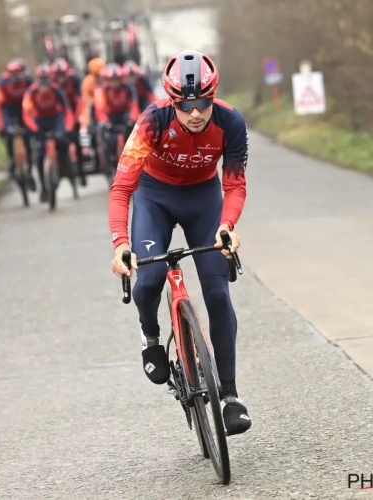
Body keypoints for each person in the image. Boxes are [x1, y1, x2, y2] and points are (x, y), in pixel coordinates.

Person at [108, 50, 252, 436]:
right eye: (185, 105)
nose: (195, 113)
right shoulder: (152, 122)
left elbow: (234, 185)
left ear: (213, 96)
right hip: (155, 198)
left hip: (204, 200)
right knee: (150, 278)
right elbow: (122, 189)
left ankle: (231, 397)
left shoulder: (230, 122)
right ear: (172, 101)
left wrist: (227, 225)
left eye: (202, 102)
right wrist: (122, 243)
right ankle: (150, 335)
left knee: (218, 294)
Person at [22, 63, 75, 202]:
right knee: (39, 155)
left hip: (55, 119)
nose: (44, 86)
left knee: (62, 142)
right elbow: (26, 114)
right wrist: (34, 128)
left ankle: (64, 168)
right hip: (40, 121)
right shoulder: (31, 92)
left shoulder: (57, 90)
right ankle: (44, 188)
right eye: (41, 82)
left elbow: (67, 110)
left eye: (47, 82)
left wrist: (68, 128)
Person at [0, 58, 36, 189]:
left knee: (27, 136)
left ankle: (29, 168)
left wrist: (33, 122)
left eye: (21, 75)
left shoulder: (29, 81)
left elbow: (34, 102)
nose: (19, 78)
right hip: (9, 109)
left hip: (24, 108)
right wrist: (2, 126)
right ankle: (11, 159)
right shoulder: (2, 83)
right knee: (8, 132)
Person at [93, 64, 140, 171]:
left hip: (124, 114)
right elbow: (100, 108)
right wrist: (105, 121)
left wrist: (132, 119)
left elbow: (133, 105)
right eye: (112, 80)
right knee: (109, 140)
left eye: (117, 79)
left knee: (132, 136)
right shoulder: (103, 90)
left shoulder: (128, 88)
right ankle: (109, 163)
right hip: (110, 116)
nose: (115, 82)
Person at [50, 57, 86, 187]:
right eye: (58, 76)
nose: (61, 79)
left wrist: (76, 119)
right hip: (60, 112)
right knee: (60, 142)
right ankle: (61, 168)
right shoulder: (52, 83)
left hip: (73, 108)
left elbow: (80, 100)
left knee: (76, 140)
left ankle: (81, 171)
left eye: (62, 76)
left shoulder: (74, 79)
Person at [79, 57, 106, 168]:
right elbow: (86, 100)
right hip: (94, 109)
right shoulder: (87, 82)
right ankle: (96, 156)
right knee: (92, 132)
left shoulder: (108, 78)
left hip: (107, 108)